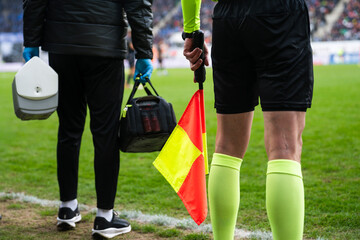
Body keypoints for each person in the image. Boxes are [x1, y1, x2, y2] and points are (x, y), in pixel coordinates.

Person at [181, 0, 314, 239]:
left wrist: (190, 29)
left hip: (228, 16)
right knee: (285, 146)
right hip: (279, 14)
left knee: (226, 147)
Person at [22, 0, 153, 238]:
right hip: (105, 47)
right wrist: (144, 52)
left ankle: (67, 207)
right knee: (106, 133)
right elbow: (138, 4)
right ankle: (104, 216)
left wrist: (31, 42)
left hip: (63, 47)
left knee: (68, 130)